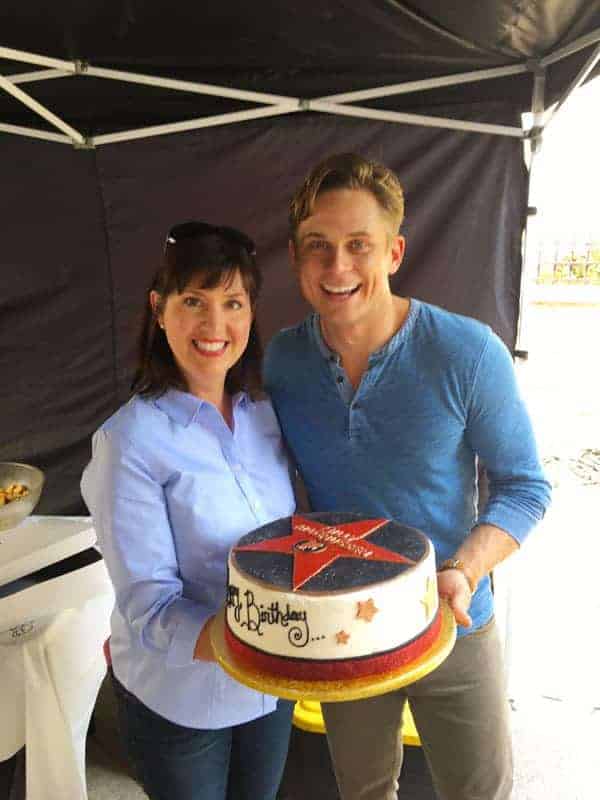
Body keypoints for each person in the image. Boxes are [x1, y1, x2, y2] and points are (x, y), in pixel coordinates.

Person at [264, 153, 552, 800]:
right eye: (319, 247)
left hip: (455, 616)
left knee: (478, 792)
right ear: (295, 258)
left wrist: (466, 570)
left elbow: (526, 486)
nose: (337, 267)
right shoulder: (282, 360)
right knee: (363, 790)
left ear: (393, 252)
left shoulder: (468, 351)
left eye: (358, 246)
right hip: (347, 627)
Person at [81, 221, 295, 800]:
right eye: (194, 301)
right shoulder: (129, 442)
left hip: (272, 686)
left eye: (232, 302)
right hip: (182, 701)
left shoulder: (265, 416)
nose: (215, 325)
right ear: (159, 308)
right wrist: (268, 640)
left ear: (251, 312)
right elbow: (150, 608)